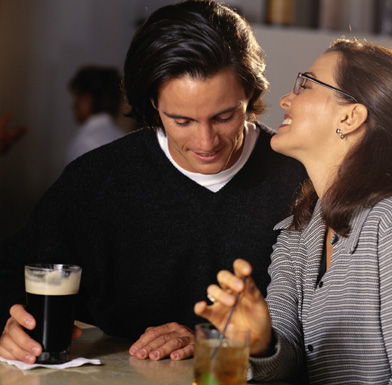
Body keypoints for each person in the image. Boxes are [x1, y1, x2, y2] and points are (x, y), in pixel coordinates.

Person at [0, 0, 306, 365]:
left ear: (251, 95)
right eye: (182, 121)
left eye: (224, 116)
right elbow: (13, 271)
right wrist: (10, 322)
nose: (206, 143)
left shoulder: (301, 181)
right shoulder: (97, 180)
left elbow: (326, 329)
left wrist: (211, 338)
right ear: (152, 104)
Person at [195, 39, 392, 384]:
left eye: (306, 85)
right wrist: (261, 343)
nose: (285, 99)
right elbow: (285, 364)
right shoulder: (299, 229)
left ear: (350, 116)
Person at [66, 65, 125, 164]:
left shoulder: (84, 143)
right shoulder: (124, 139)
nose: (74, 105)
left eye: (78, 97)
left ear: (87, 99)